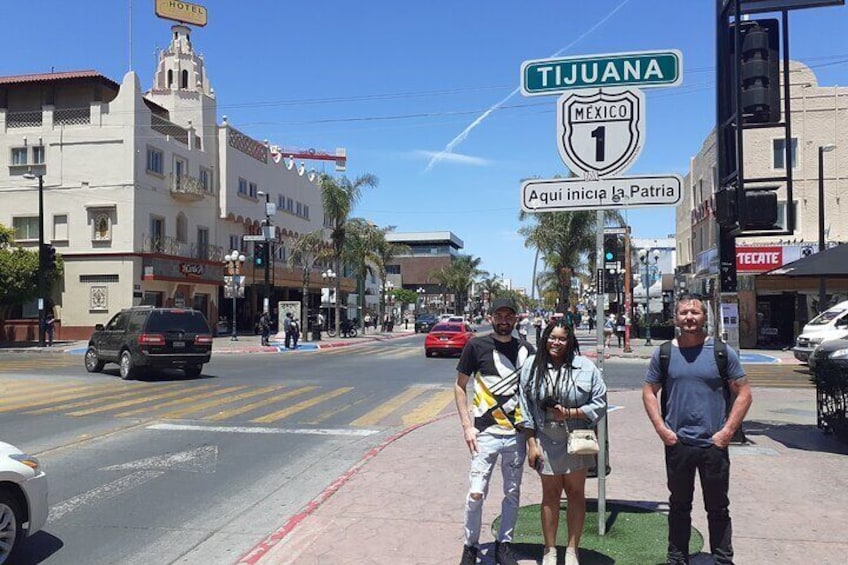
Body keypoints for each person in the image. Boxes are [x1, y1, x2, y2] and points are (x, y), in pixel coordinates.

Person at [642, 294, 753, 565]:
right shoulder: (665, 353)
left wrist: (726, 433)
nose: (689, 317)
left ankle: (722, 559)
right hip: (678, 444)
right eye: (684, 313)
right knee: (679, 506)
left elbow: (744, 393)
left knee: (718, 508)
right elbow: (649, 392)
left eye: (695, 312)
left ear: (705, 317)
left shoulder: (721, 352)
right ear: (676, 318)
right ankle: (677, 558)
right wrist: (662, 429)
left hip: (713, 446)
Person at [517, 320, 607, 565]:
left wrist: (570, 413)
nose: (556, 342)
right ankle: (549, 549)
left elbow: (600, 403)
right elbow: (524, 408)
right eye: (552, 337)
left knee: (576, 494)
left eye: (562, 338)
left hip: (576, 439)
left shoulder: (585, 367)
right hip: (545, 437)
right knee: (550, 494)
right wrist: (531, 444)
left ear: (570, 342)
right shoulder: (531, 368)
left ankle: (571, 550)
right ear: (545, 338)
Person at [455, 298, 535, 565]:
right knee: (476, 492)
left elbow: (534, 392)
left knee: (512, 491)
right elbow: (459, 386)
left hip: (516, 435)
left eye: (508, 316)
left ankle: (504, 544)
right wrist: (467, 426)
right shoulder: (476, 346)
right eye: (499, 315)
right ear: (491, 318)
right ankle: (471, 545)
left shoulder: (527, 350)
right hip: (484, 434)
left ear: (516, 319)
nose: (504, 320)